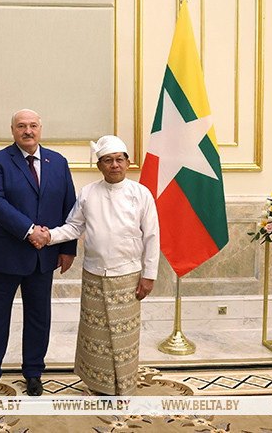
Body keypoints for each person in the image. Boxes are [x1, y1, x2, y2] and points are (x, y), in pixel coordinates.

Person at [39, 135, 159, 396]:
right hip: (93, 274)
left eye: (119, 160)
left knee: (124, 336)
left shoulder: (141, 194)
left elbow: (152, 237)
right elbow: (73, 226)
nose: (114, 165)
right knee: (96, 335)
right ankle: (97, 385)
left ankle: (124, 387)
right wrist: (49, 236)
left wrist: (149, 276)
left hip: (127, 275)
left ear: (128, 163)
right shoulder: (88, 192)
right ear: (99, 165)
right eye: (108, 160)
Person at [0, 109, 77, 396]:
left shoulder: (58, 162)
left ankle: (34, 372)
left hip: (43, 256)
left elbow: (69, 207)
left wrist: (67, 248)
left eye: (33, 125)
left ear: (40, 129)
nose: (28, 131)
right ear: (12, 130)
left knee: (38, 318)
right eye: (21, 126)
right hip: (5, 255)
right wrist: (29, 230)